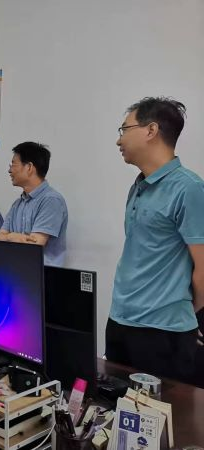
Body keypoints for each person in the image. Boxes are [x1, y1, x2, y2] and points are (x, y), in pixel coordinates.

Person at [106, 97, 204, 384]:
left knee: (164, 410)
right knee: (114, 402)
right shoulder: (138, 186)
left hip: (163, 332)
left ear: (151, 130)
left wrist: (187, 312)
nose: (119, 140)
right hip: (120, 320)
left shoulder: (189, 188)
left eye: (124, 129)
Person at [0, 142, 68, 266]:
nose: (9, 170)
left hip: (44, 275)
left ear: (29, 167)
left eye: (13, 164)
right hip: (18, 272)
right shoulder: (17, 204)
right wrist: (11, 237)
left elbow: (33, 248)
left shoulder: (51, 200)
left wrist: (9, 237)